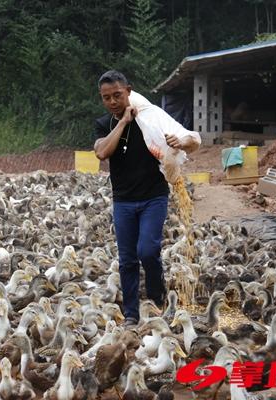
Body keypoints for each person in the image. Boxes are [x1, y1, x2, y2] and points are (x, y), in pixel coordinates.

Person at [93, 70, 200, 327]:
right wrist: (122, 123)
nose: (112, 102)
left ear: (129, 91)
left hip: (154, 197)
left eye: (117, 95)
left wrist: (180, 141)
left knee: (148, 250)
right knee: (128, 258)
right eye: (106, 98)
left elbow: (192, 140)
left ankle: (156, 297)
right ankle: (131, 313)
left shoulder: (152, 119)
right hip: (123, 201)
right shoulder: (104, 124)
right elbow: (101, 152)